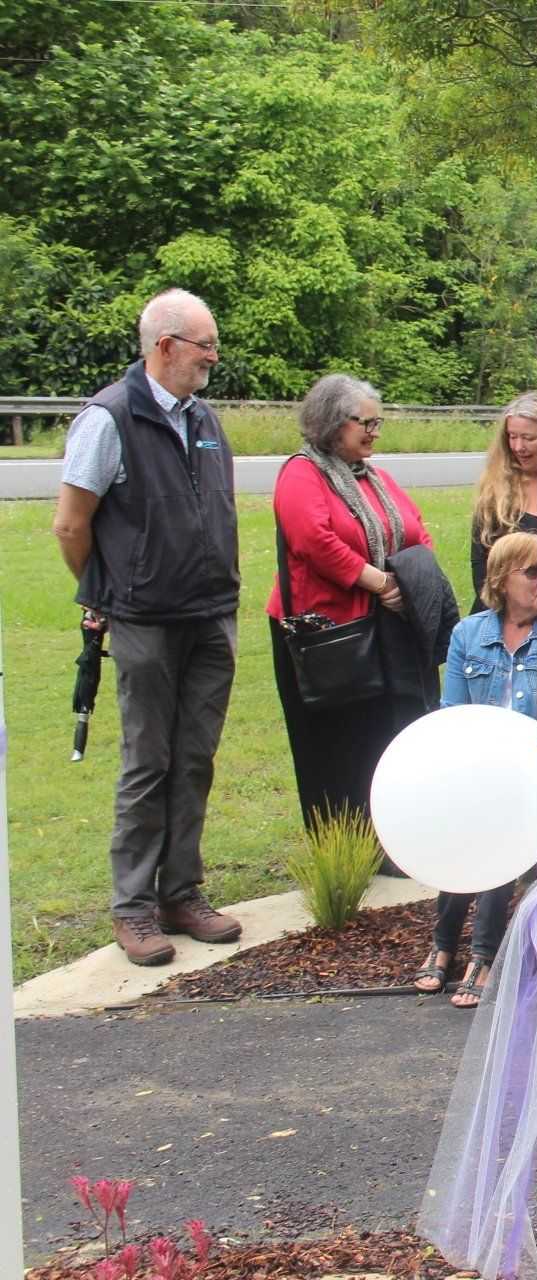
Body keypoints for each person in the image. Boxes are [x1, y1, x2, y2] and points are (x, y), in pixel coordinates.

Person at [52, 288, 244, 966]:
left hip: (209, 616)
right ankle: (133, 908)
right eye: (204, 345)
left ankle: (180, 893)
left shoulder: (206, 419)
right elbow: (72, 524)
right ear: (165, 346)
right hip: (145, 621)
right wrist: (107, 592)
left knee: (193, 760)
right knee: (147, 764)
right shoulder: (109, 418)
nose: (213, 357)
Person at [268, 374, 453, 840]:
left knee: (385, 733)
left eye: (379, 423)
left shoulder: (377, 477)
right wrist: (380, 583)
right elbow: (314, 540)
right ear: (332, 421)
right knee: (336, 740)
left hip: (385, 631)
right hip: (329, 633)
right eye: (364, 423)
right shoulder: (302, 473)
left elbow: (417, 533)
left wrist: (406, 583)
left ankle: (390, 838)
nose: (374, 432)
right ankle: (344, 848)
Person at [423, 532, 537, 1008]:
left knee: (502, 830)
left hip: (532, 774)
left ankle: (481, 953)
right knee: (467, 827)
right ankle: (443, 942)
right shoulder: (468, 635)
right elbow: (453, 710)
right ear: (501, 577)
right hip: (479, 765)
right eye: (532, 573)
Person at [469, 392, 537, 611]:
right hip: (501, 615)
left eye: (529, 438)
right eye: (512, 436)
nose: (519, 447)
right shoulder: (498, 489)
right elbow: (480, 562)